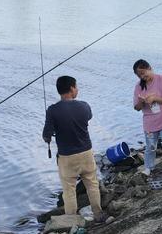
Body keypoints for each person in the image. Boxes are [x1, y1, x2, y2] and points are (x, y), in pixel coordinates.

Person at [42, 76, 108, 223]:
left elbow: (46, 136)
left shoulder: (52, 110)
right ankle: (98, 214)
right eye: (76, 87)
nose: (77, 89)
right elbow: (87, 118)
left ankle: (72, 221)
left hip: (66, 157)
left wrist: (49, 135)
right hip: (86, 153)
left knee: (69, 190)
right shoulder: (84, 106)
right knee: (92, 184)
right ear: (72, 89)